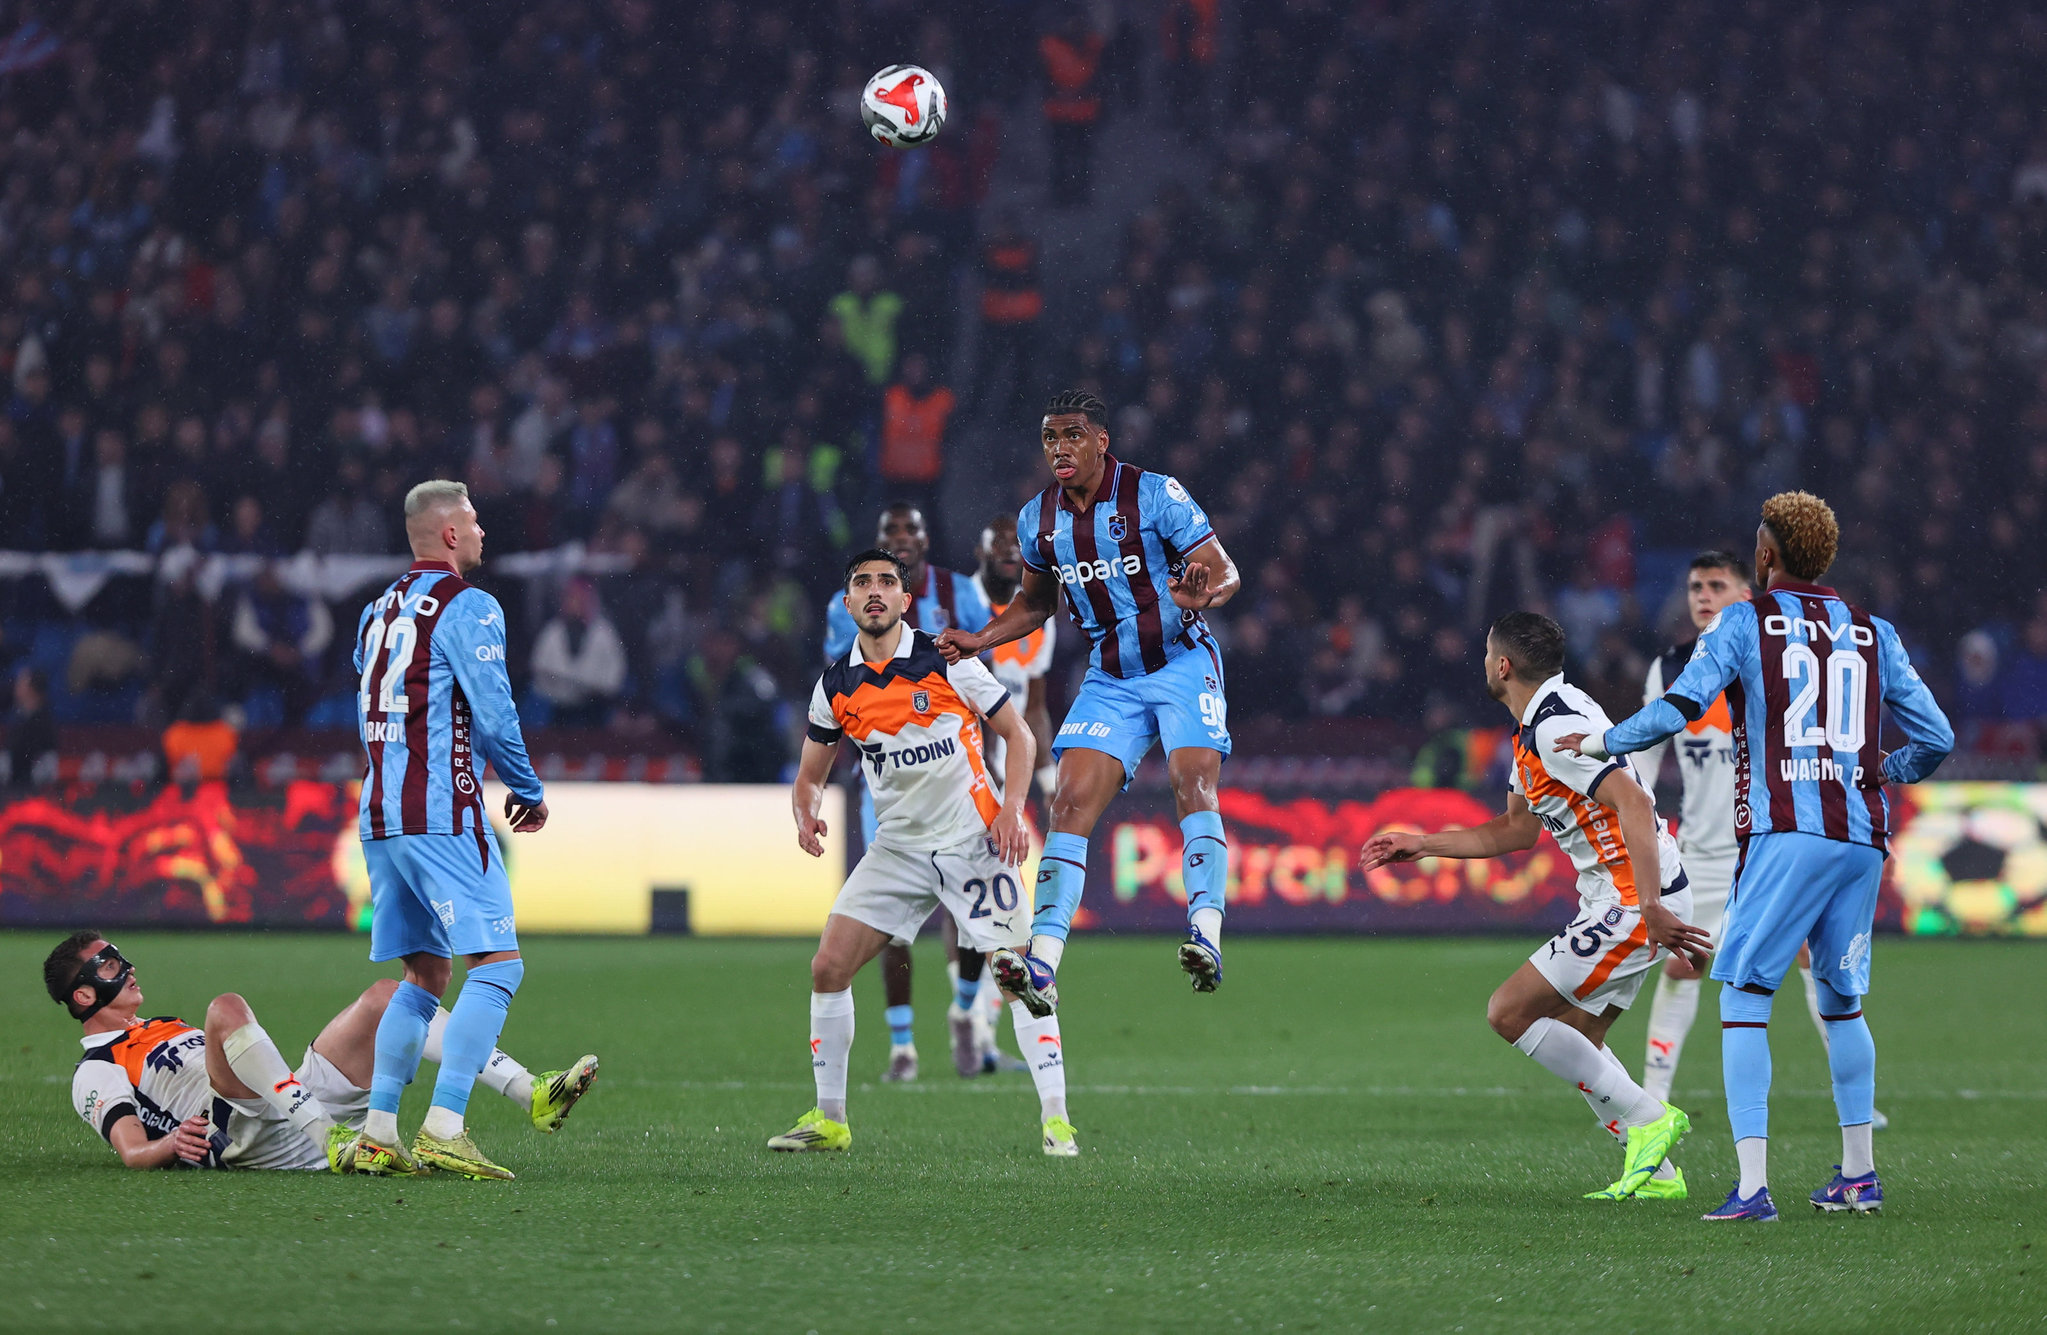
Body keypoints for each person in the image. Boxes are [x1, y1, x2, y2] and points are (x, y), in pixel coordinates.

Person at [1557, 492, 1954, 1222]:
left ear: (1765, 556)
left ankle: (1750, 1187)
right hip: (1861, 836)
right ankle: (1857, 1177)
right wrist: (1881, 771)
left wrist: (1604, 741)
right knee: (1839, 1000)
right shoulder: (1872, 631)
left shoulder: (1742, 622)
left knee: (1741, 998)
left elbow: (1680, 706)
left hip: (1786, 833)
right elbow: (1936, 737)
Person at [1358, 612, 1707, 1200]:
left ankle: (1651, 1120)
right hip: (1623, 894)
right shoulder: (1536, 726)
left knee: (1508, 1012)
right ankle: (1659, 1176)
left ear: (1502, 665)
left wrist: (1649, 906)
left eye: (1486, 652)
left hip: (1632, 898)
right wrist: (1424, 843)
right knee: (1578, 1041)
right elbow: (1514, 832)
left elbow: (1635, 805)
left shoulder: (1552, 729)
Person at [936, 389, 1241, 1011]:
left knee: (1192, 782)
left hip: (1181, 661)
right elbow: (1038, 602)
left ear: (1102, 441)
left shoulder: (1154, 494)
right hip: (1111, 678)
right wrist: (981, 638)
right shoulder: (1037, 520)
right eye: (1050, 438)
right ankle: (1043, 965)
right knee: (1069, 802)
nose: (1060, 449)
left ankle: (1205, 933)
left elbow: (1225, 569)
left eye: (1072, 435)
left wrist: (1203, 595)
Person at [771, 549, 1075, 1156]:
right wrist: (806, 811)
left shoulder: (947, 659)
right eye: (863, 583)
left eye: (887, 582)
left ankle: (1057, 1120)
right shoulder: (835, 686)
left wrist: (1013, 810)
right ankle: (831, 1120)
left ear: (906, 600)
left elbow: (1017, 735)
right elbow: (810, 775)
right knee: (828, 968)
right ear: (849, 602)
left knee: (1019, 978)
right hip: (899, 850)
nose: (875, 591)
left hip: (974, 840)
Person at [1633, 552, 1889, 1140]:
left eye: (1715, 585)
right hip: (1701, 854)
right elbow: (1644, 767)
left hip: (1775, 843)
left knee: (1814, 961)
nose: (1702, 595)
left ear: (1745, 594)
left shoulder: (1776, 655)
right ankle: (1652, 1098)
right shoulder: (1670, 670)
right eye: (1695, 585)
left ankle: (1852, 1096)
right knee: (1683, 966)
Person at [343, 479, 550, 1180]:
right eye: (475, 519)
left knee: (424, 973)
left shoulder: (377, 610)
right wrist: (526, 788)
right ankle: (444, 1125)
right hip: (440, 810)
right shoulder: (470, 606)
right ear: (451, 535)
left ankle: (376, 1132)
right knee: (499, 964)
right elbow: (495, 711)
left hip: (380, 812)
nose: (484, 529)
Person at [44, 931, 596, 1172]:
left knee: (391, 998)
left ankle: (532, 1092)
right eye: (112, 965)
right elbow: (132, 1152)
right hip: (238, 1130)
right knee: (225, 1007)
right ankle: (329, 1138)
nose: (129, 967)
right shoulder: (95, 1070)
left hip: (285, 1100)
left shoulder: (160, 1026)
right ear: (85, 995)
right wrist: (167, 1148)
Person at [822, 503, 991, 1082]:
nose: (901, 538)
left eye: (909, 531)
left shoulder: (961, 592)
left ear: (923, 540)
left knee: (967, 913)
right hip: (888, 780)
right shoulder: (844, 606)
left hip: (955, 770)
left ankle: (965, 1010)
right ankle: (902, 1046)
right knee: (893, 919)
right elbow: (845, 686)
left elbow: (978, 674)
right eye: (889, 532)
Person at [952, 514, 1058, 1077]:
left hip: (1009, 773)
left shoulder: (1039, 613)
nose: (1009, 555)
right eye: (999, 547)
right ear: (982, 551)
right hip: (965, 769)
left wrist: (1047, 781)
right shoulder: (962, 607)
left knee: (1001, 903)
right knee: (985, 902)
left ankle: (975, 1025)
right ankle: (971, 1021)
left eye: (1017, 548)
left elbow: (1034, 706)